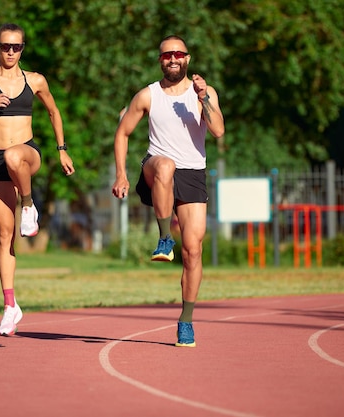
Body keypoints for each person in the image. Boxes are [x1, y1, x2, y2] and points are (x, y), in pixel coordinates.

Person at [111, 35, 224, 347]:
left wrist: (203, 97)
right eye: (166, 55)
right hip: (156, 166)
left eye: (178, 54)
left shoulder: (204, 91)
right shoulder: (148, 95)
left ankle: (186, 320)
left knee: (194, 251)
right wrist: (121, 174)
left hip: (194, 173)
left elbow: (218, 131)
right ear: (159, 60)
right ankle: (163, 237)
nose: (172, 59)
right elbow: (122, 133)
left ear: (187, 58)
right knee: (166, 166)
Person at [0, 23, 75, 336]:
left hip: (27, 154)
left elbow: (54, 112)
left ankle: (28, 205)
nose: (11, 52)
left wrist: (62, 150)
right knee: (4, 234)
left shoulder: (35, 80)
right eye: (6, 46)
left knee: (15, 155)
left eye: (17, 47)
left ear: (23, 48)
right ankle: (10, 305)